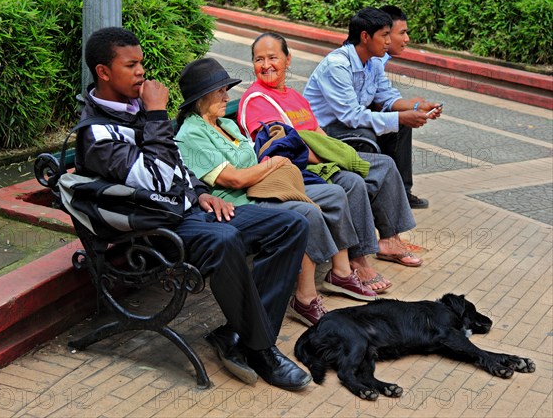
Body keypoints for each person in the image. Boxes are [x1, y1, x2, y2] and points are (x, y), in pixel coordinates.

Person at [76, 27, 312, 390]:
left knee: (291, 225)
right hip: (153, 228)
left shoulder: (135, 109)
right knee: (225, 238)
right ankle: (261, 349)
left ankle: (236, 333)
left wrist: (201, 191)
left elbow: (176, 164)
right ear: (104, 72)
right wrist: (156, 114)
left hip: (188, 210)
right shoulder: (98, 133)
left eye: (141, 63)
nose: (141, 72)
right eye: (131, 65)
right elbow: (152, 181)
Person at [175, 58, 378, 329]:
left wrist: (271, 165)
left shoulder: (225, 124)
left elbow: (253, 161)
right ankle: (305, 298)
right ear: (200, 98)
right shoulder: (192, 133)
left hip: (263, 186)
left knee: (334, 193)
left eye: (226, 89)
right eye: (220, 91)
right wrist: (273, 164)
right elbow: (234, 179)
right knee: (305, 212)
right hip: (238, 202)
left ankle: (340, 271)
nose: (227, 96)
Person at [238, 32, 422, 292]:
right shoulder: (257, 100)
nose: (266, 65)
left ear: (288, 60)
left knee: (384, 165)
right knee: (351, 182)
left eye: (273, 58)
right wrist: (334, 160)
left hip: (322, 158)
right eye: (259, 59)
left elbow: (319, 133)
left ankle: (389, 240)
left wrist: (341, 154)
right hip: (297, 169)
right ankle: (357, 260)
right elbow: (285, 147)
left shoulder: (293, 95)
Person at [303, 7, 443, 209]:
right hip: (323, 132)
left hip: (348, 125)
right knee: (367, 133)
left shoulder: (373, 63)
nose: (388, 41)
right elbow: (351, 116)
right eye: (385, 35)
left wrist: (418, 107)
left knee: (399, 124)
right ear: (365, 37)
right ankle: (369, 199)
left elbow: (387, 97)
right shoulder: (337, 65)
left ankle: (400, 193)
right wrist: (400, 117)